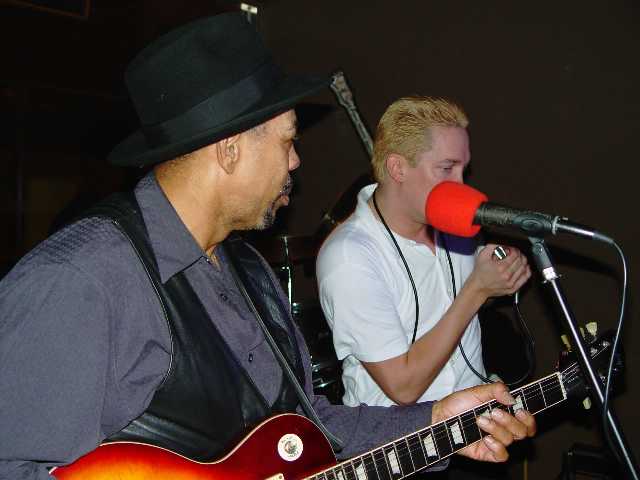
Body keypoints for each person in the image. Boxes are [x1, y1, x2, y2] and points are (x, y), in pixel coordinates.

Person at [0, 14, 535, 480]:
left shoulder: (248, 271)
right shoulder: (83, 280)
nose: (296, 160)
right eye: (288, 140)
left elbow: (305, 431)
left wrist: (435, 421)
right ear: (229, 150)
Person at [316, 97, 531, 408]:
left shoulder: (452, 223)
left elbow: (460, 297)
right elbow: (403, 387)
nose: (460, 184)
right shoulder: (349, 257)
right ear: (398, 168)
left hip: (476, 419)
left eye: (464, 169)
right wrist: (478, 289)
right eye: (447, 168)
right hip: (406, 436)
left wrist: (501, 274)